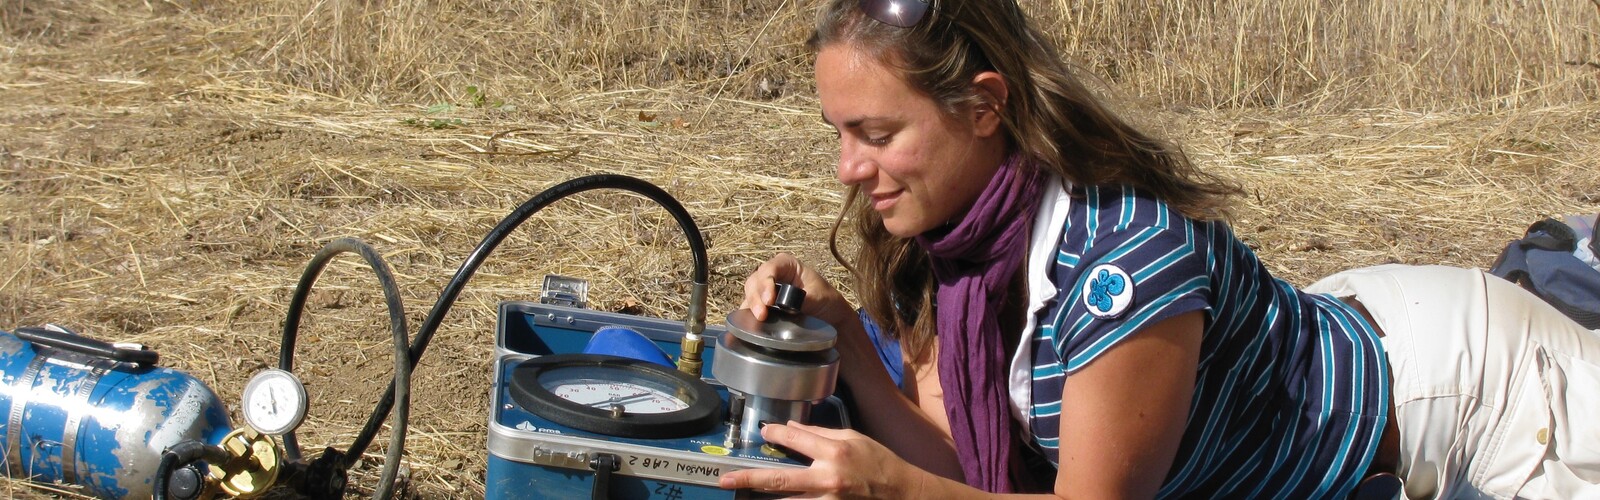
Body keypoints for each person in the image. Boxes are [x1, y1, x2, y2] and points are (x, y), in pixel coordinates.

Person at [716, 0, 1600, 498]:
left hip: (1476, 398)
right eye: (838, 132)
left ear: (984, 108)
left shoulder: (1123, 262)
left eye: (874, 133)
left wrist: (892, 491)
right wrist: (845, 337)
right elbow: (959, 459)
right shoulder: (964, 245)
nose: (845, 169)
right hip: (1328, 344)